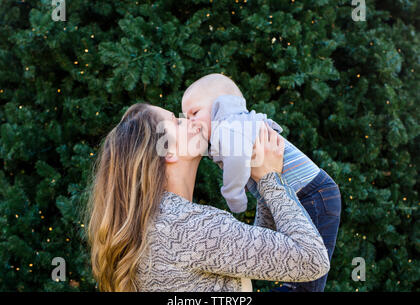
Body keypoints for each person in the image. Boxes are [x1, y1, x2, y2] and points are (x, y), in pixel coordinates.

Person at [85, 102, 330, 292]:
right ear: (166, 151)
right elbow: (312, 260)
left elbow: (260, 256)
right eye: (177, 122)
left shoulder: (160, 223)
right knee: (327, 193)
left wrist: (262, 180)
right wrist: (270, 180)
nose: (190, 121)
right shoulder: (189, 227)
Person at [182, 73, 341, 292]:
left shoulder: (228, 125)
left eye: (195, 113)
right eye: (185, 116)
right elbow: (263, 188)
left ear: (220, 105)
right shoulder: (235, 125)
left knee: (306, 284)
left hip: (313, 194)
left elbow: (238, 161)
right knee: (295, 276)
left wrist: (233, 196)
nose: (190, 122)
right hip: (304, 192)